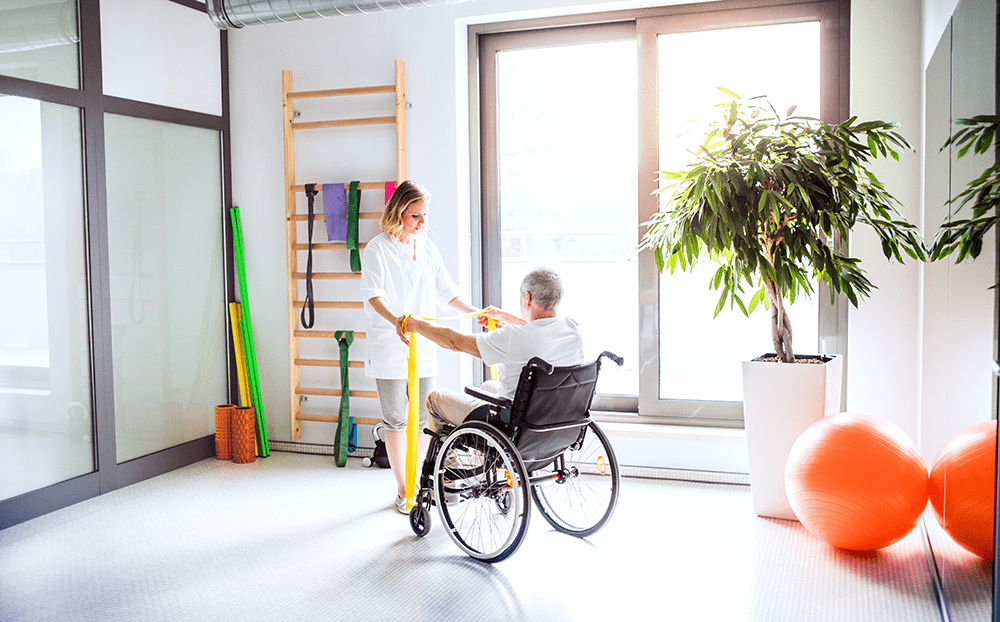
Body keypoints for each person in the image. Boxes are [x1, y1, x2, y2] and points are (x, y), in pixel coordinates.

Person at [359, 180, 480, 514]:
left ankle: (421, 481)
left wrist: (476, 313)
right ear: (399, 212)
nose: (422, 224)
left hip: (423, 346)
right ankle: (403, 489)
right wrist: (399, 320)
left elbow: (447, 293)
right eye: (416, 216)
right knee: (396, 419)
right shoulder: (378, 249)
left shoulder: (426, 248)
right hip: (390, 346)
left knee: (427, 418)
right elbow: (373, 295)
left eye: (424, 216)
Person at [403, 267, 584, 430]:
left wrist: (418, 325)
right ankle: (482, 460)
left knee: (436, 398)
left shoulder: (513, 337)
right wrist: (504, 316)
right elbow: (539, 330)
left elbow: (456, 342)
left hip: (516, 422)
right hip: (556, 417)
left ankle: (453, 464)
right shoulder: (572, 327)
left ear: (527, 297)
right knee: (488, 387)